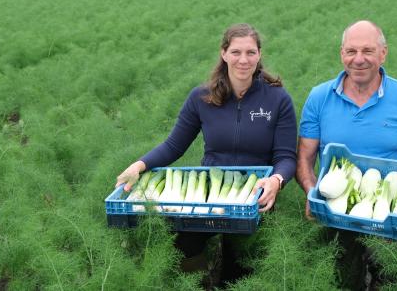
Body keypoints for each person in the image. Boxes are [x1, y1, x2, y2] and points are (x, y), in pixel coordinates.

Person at [115, 23, 297, 282]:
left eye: (250, 52)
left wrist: (276, 181)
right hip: (209, 193)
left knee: (242, 268)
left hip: (255, 194)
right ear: (224, 53)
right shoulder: (202, 98)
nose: (243, 60)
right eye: (236, 52)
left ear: (259, 55)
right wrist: (139, 165)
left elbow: (286, 157)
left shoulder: (278, 99)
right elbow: (174, 145)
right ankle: (198, 283)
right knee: (184, 247)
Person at [296, 20, 397, 288]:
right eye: (351, 51)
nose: (359, 59)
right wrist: (311, 190)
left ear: (383, 53)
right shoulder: (319, 97)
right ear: (342, 53)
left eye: (368, 50)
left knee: (389, 278)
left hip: (389, 211)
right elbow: (305, 157)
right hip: (336, 210)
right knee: (342, 278)